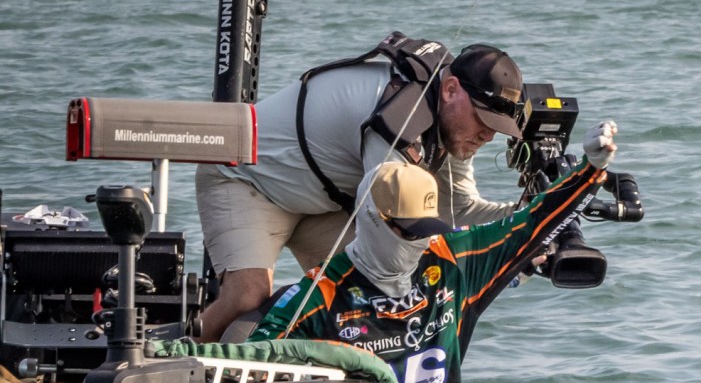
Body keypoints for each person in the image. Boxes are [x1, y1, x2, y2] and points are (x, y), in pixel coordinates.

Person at [248, 121, 618, 383]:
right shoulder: (320, 292)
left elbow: (532, 223)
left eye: (425, 231)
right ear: (375, 220)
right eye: (409, 232)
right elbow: (253, 362)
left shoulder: (452, 256)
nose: (420, 243)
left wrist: (590, 170)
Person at [196, 34, 528, 343]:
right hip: (247, 178)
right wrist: (492, 254)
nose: (488, 136)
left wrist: (529, 220)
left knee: (367, 297)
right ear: (451, 89)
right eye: (483, 121)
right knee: (247, 296)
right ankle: (182, 355)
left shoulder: (453, 125)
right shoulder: (399, 121)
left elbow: (460, 210)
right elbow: (390, 229)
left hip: (321, 200)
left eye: (496, 128)